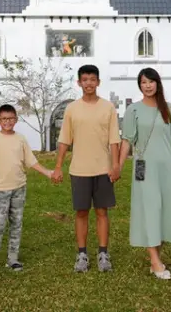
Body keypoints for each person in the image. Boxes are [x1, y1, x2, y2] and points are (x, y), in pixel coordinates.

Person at [118, 67, 171, 280]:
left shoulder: (168, 108)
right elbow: (127, 140)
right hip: (144, 168)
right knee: (150, 209)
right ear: (139, 85)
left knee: (165, 210)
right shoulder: (134, 110)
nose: (147, 86)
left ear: (158, 83)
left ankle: (154, 259)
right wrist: (118, 166)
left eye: (151, 81)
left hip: (168, 168)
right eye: (143, 82)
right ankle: (156, 262)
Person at [52, 64, 121, 273]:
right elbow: (65, 139)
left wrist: (116, 165)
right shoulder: (72, 108)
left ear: (98, 82)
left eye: (93, 79)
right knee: (81, 212)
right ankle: (82, 254)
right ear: (79, 82)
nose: (89, 83)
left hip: (103, 169)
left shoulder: (108, 107)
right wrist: (58, 167)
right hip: (79, 170)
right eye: (85, 79)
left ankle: (103, 254)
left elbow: (114, 140)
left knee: (102, 212)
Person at [0, 104, 54, 274]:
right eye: (4, 119)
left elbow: (31, 161)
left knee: (16, 223)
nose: (8, 122)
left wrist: (48, 173)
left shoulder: (20, 139)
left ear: (16, 120)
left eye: (11, 118)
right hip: (0, 190)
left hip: (19, 188)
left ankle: (13, 259)